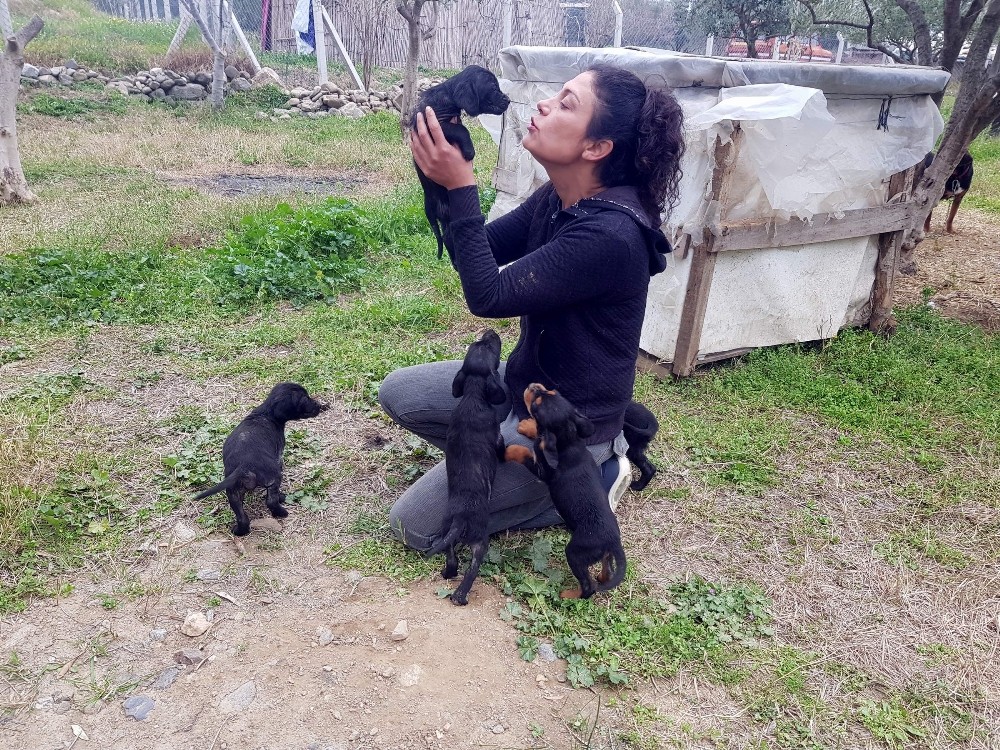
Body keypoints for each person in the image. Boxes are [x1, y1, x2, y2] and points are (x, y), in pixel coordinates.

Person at [378, 64, 684, 552]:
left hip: (565, 429)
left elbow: (487, 296)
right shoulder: (560, 197)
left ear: (596, 148)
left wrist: (462, 187)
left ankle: (584, 482)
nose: (544, 104)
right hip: (522, 386)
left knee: (412, 525)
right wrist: (439, 183)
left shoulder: (610, 235)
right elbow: (476, 252)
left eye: (567, 103)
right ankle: (498, 468)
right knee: (399, 393)